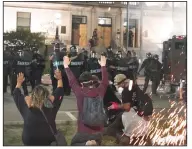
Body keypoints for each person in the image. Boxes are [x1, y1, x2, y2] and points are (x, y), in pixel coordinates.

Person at [63, 55, 109, 146]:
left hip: (83, 131)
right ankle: (94, 143)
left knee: (74, 143)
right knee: (97, 141)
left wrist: (66, 66)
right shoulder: (100, 91)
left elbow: (72, 81)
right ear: (92, 81)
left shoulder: (80, 92)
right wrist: (103, 66)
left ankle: (86, 144)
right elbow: (105, 82)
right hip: (98, 131)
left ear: (82, 83)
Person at [13, 70, 65, 146]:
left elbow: (16, 94)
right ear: (47, 96)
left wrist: (19, 83)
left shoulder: (26, 107)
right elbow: (60, 90)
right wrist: (59, 79)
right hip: (48, 141)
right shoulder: (52, 106)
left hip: (29, 142)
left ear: (32, 96)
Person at [108, 74, 152, 145]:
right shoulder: (134, 86)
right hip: (143, 118)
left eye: (118, 84)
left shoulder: (126, 91)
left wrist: (116, 106)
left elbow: (127, 107)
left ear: (123, 82)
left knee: (132, 139)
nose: (118, 86)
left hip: (134, 119)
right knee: (144, 138)